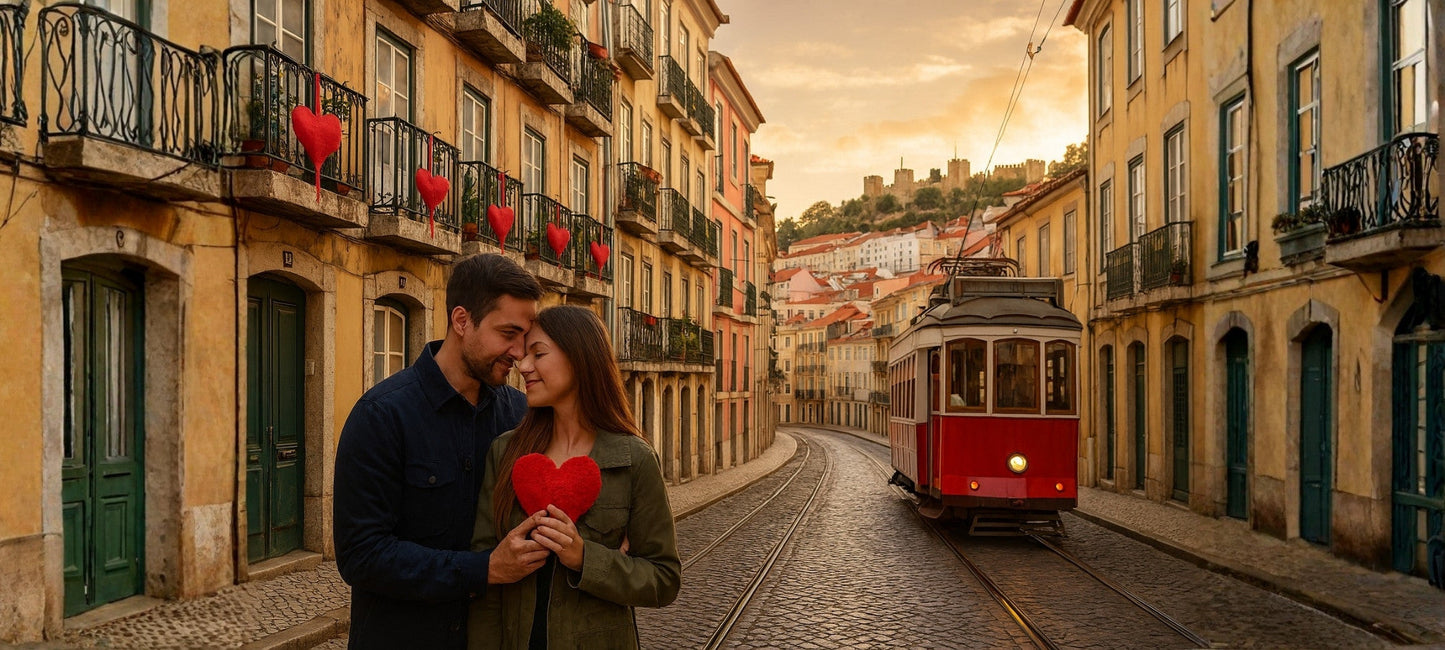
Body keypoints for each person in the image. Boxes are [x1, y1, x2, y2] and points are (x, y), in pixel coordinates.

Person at [334, 254, 551, 649]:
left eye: (525, 337)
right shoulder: (380, 416)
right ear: (462, 321)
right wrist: (484, 569)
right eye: (508, 333)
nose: (519, 353)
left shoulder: (522, 417)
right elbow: (360, 556)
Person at [469, 306, 680, 649]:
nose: (523, 366)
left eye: (538, 353)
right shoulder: (505, 452)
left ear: (580, 358)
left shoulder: (633, 460)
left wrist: (586, 559)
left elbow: (664, 579)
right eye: (524, 356)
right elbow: (486, 581)